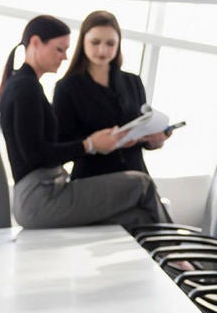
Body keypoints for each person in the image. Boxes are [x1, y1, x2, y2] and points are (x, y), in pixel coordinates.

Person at [0, 14, 164, 233]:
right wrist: (89, 144)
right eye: (59, 49)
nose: (64, 57)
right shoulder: (27, 88)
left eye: (110, 43)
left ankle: (173, 262)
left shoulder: (26, 85)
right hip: (41, 195)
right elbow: (36, 154)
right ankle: (179, 256)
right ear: (35, 43)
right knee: (142, 184)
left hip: (48, 188)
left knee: (137, 217)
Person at [53, 10, 172, 188]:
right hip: (93, 182)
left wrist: (154, 140)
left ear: (118, 45)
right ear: (83, 41)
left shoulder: (133, 82)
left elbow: (141, 129)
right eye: (95, 42)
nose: (103, 50)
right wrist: (94, 143)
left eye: (110, 43)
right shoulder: (67, 87)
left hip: (135, 178)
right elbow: (62, 146)